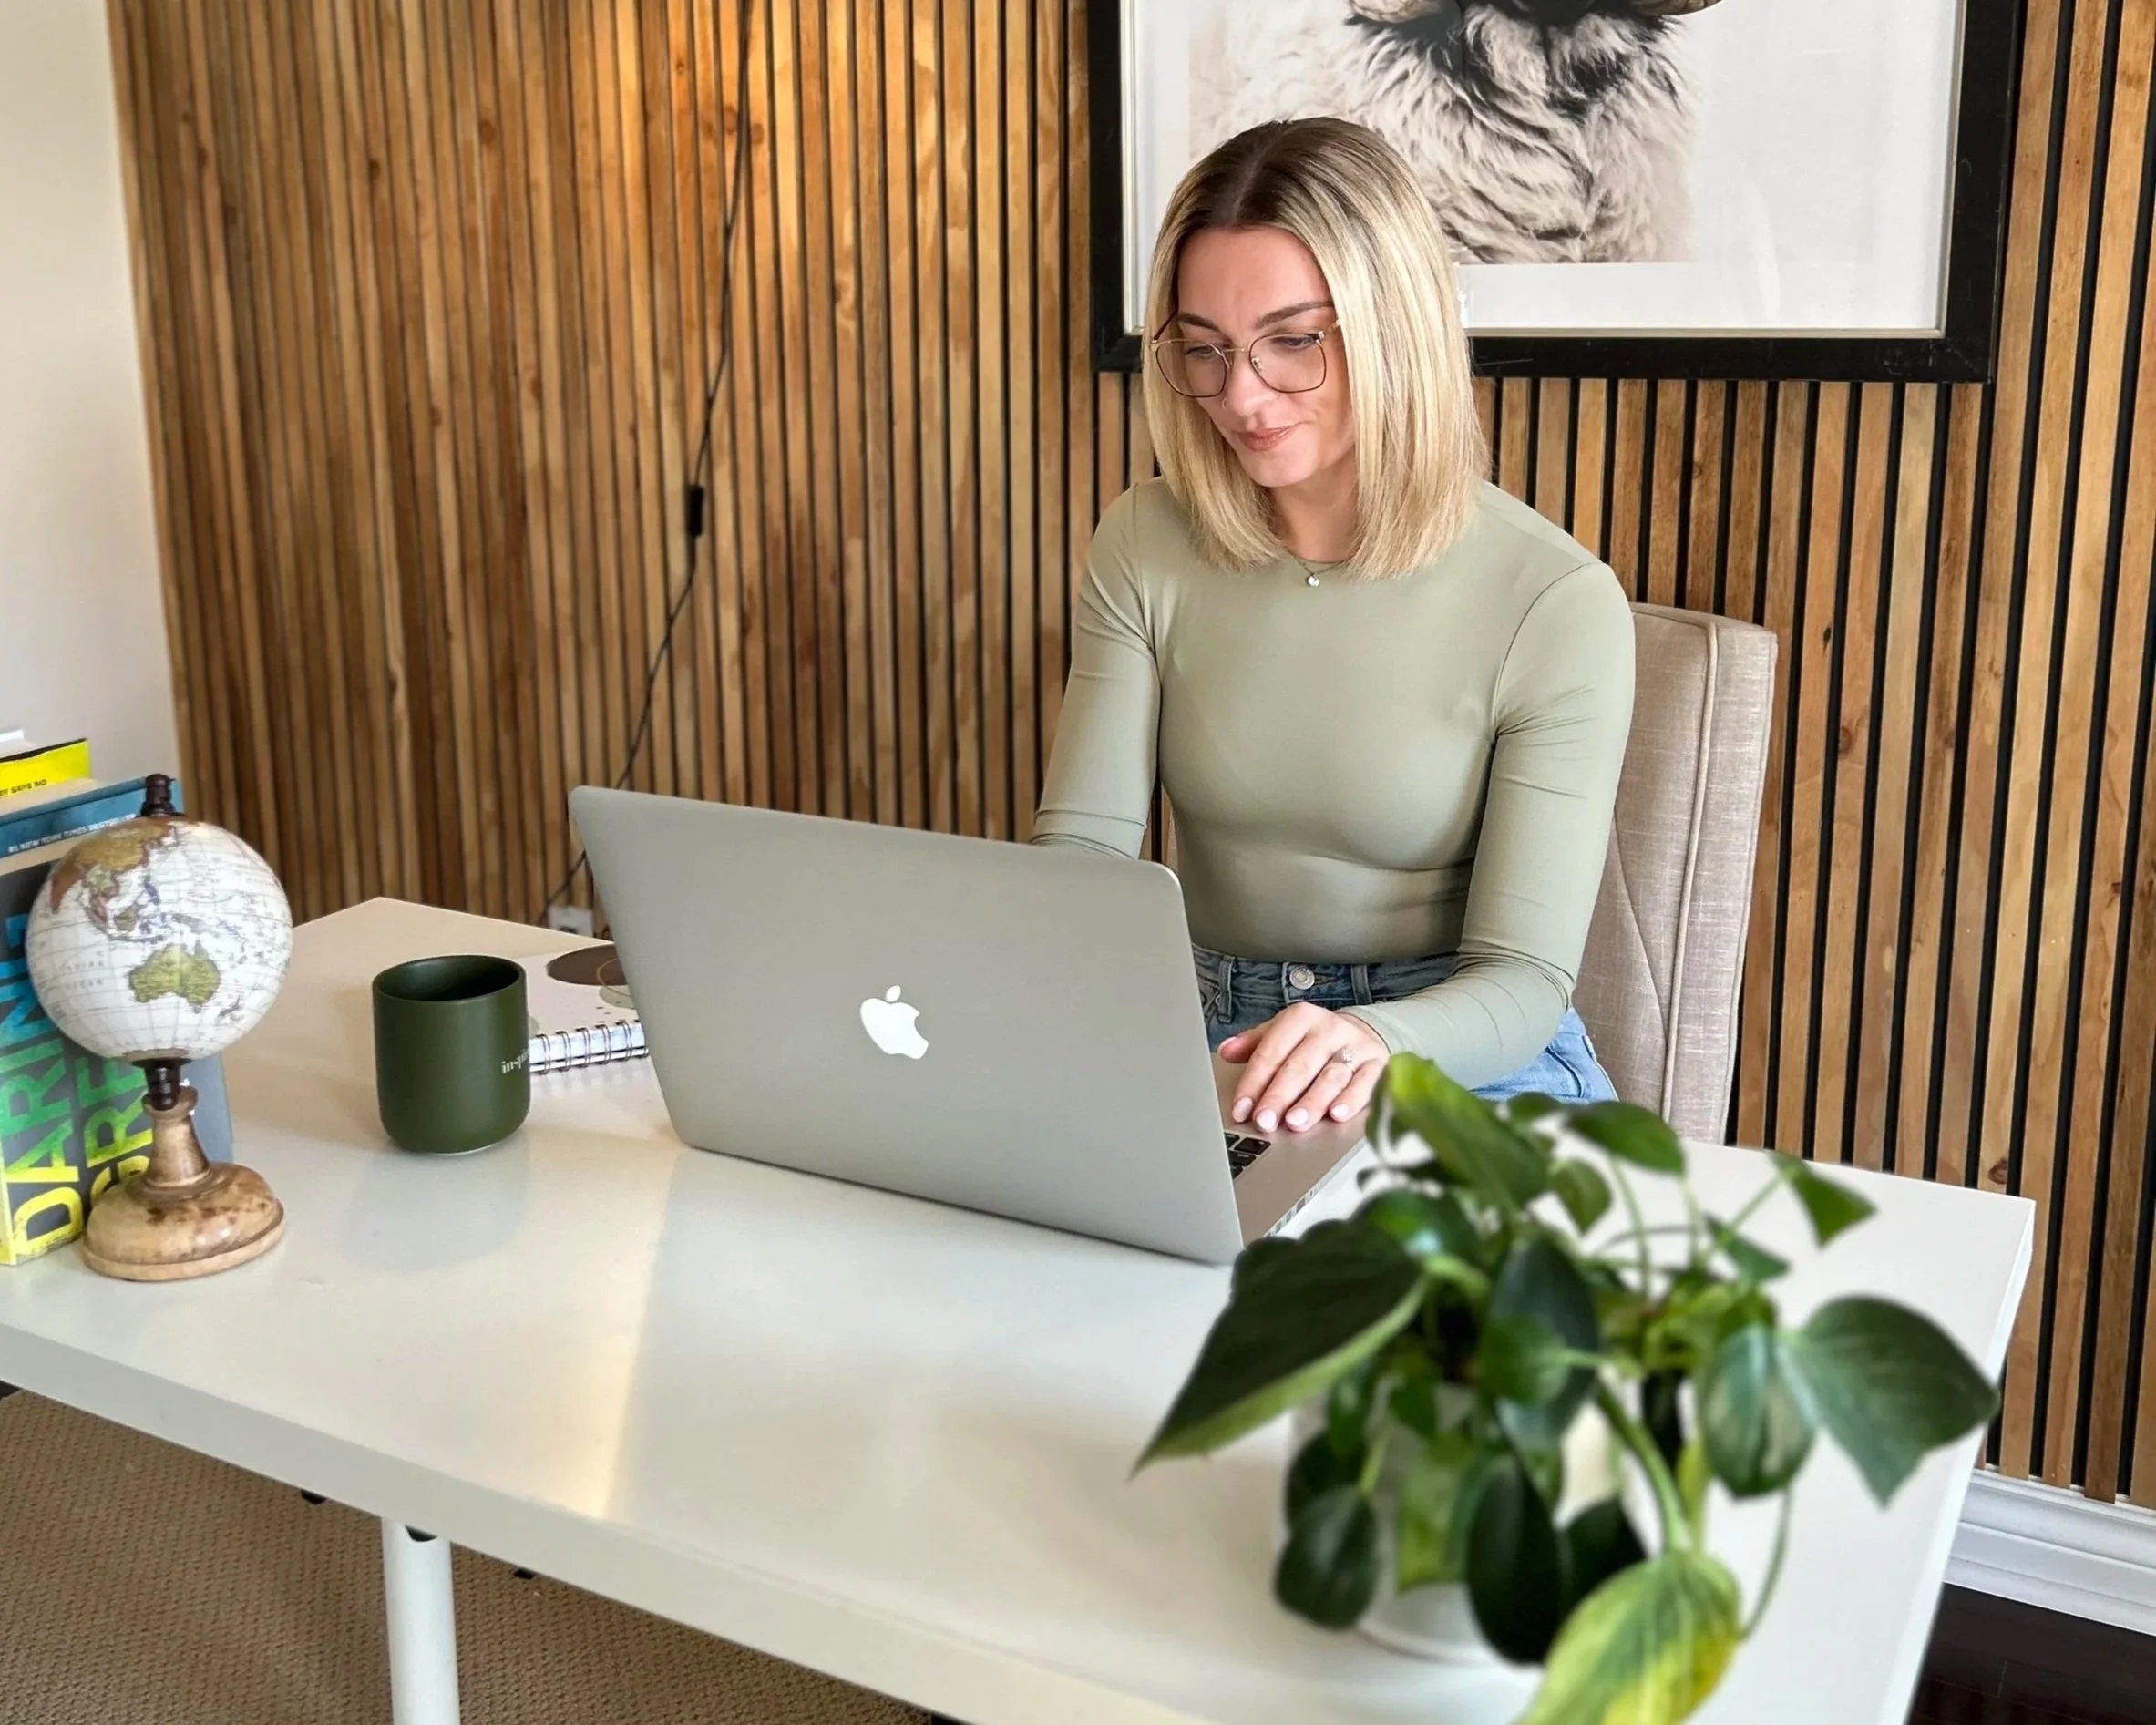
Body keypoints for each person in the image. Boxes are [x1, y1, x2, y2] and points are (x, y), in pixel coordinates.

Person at [1030, 117, 1635, 1139]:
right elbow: (1081, 858)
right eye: (1205, 349)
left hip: (1448, 1056)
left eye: (1293, 340)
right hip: (1200, 1035)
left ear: (1394, 326)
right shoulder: (1143, 541)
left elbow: (1523, 981)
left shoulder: (1556, 601)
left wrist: (1368, 1037)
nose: (1241, 396)